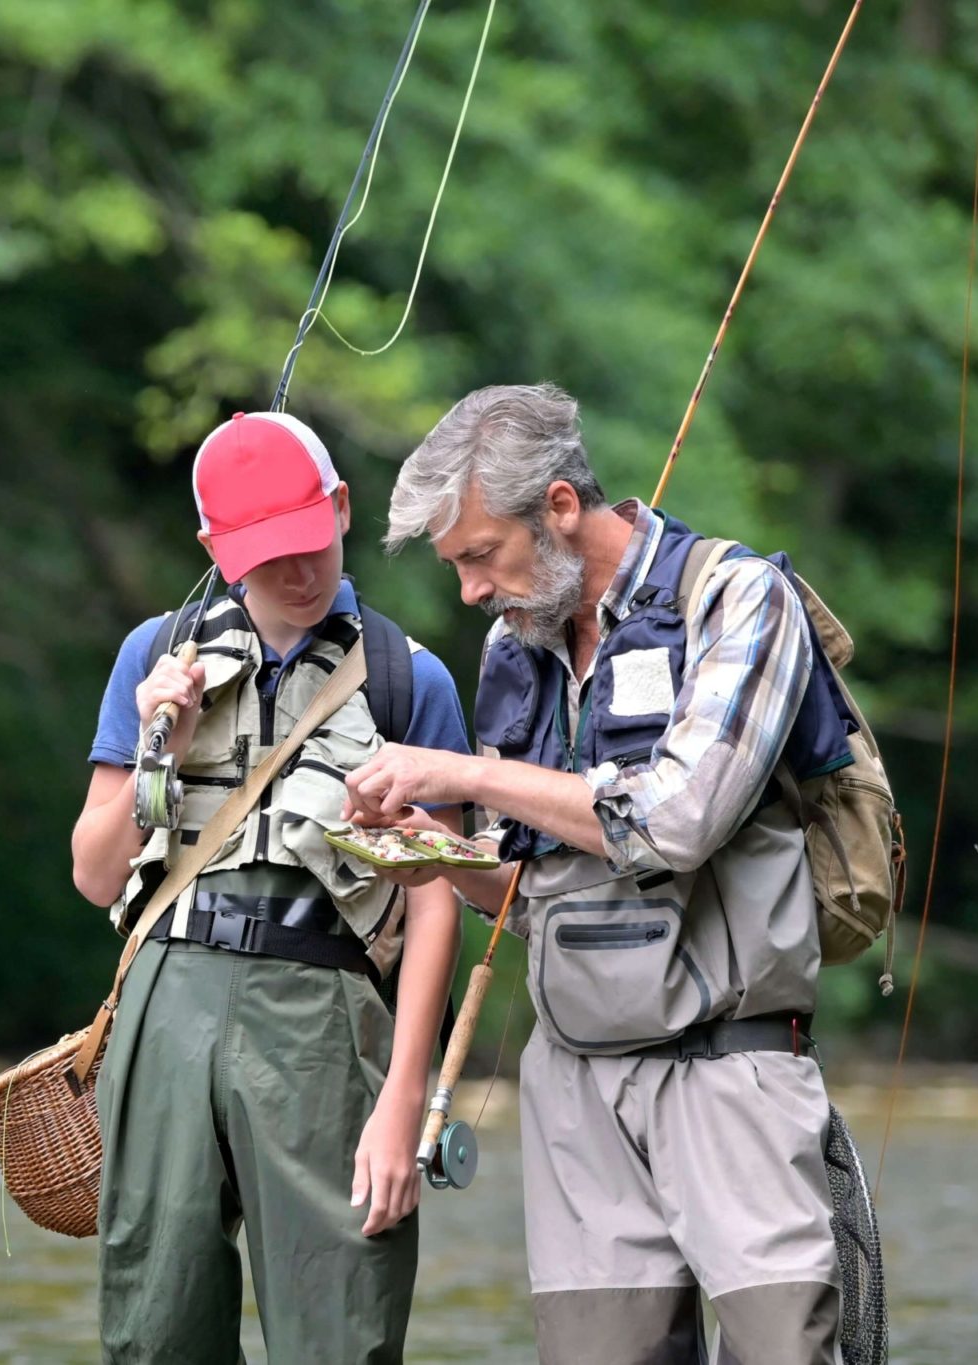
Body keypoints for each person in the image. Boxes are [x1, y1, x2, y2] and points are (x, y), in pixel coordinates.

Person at [344, 383, 850, 1364]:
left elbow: (674, 823)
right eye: (454, 568)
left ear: (562, 507)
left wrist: (457, 771)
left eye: (479, 556)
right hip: (574, 1080)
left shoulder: (736, 600)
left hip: (728, 1068)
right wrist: (430, 849)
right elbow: (529, 897)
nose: (469, 593)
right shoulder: (513, 646)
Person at [70, 409, 471, 1364]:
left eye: (309, 542)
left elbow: (435, 899)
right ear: (214, 548)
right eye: (265, 556)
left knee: (341, 1326)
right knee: (156, 1326)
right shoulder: (154, 654)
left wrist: (404, 1095)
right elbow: (93, 875)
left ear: (340, 508)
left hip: (326, 1016)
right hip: (167, 1000)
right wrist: (159, 735)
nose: (296, 573)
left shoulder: (410, 682)